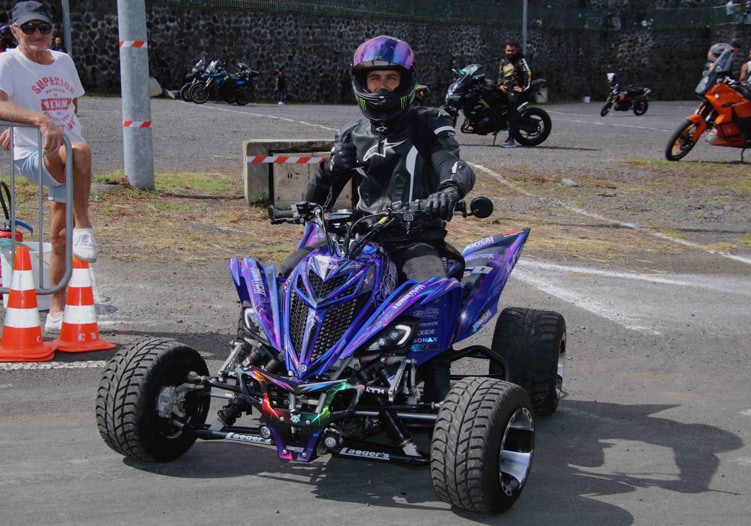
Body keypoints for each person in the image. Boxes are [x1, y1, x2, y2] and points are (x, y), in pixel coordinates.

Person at [282, 35, 475, 402]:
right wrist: (328, 169)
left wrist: (449, 190)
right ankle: (282, 357)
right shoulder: (351, 133)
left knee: (434, 289)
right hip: (359, 238)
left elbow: (453, 165)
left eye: (390, 78)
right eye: (374, 79)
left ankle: (437, 375)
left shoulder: (430, 122)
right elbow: (315, 200)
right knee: (288, 272)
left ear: (405, 82)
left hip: (414, 236)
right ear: (362, 83)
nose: (382, 87)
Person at [0, 1, 97, 333]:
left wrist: (39, 121)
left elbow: (72, 105)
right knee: (80, 149)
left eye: (43, 27)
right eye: (28, 28)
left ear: (52, 30)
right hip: (36, 156)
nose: (36, 34)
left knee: (59, 234)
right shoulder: (7, 63)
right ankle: (85, 226)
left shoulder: (64, 61)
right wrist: (36, 121)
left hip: (71, 161)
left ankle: (56, 310)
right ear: (15, 31)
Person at [496, 41, 531, 148]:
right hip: (504, 90)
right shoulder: (503, 61)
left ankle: (511, 139)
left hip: (516, 91)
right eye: (508, 50)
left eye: (512, 50)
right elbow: (500, 75)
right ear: (505, 50)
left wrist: (523, 88)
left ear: (516, 50)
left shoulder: (521, 61)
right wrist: (500, 85)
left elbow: (528, 74)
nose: (510, 53)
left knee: (512, 111)